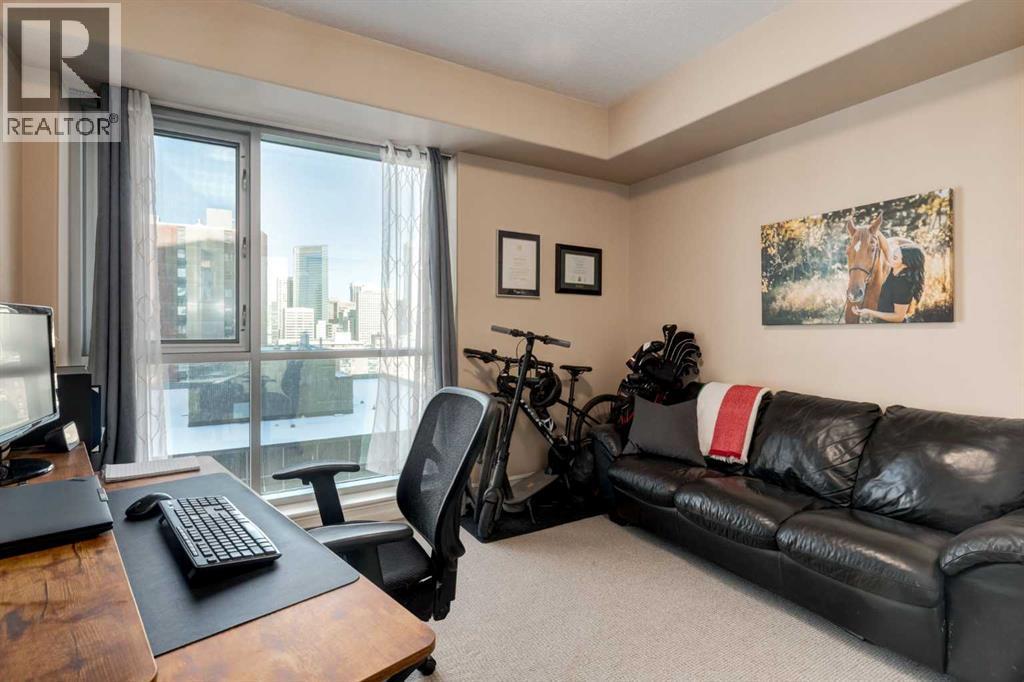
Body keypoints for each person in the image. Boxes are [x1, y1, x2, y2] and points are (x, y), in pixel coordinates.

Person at [852, 239, 925, 323]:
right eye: (893, 254)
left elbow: (898, 317)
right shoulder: (893, 271)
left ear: (906, 264)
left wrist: (870, 312)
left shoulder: (903, 285)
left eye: (895, 258)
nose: (890, 259)